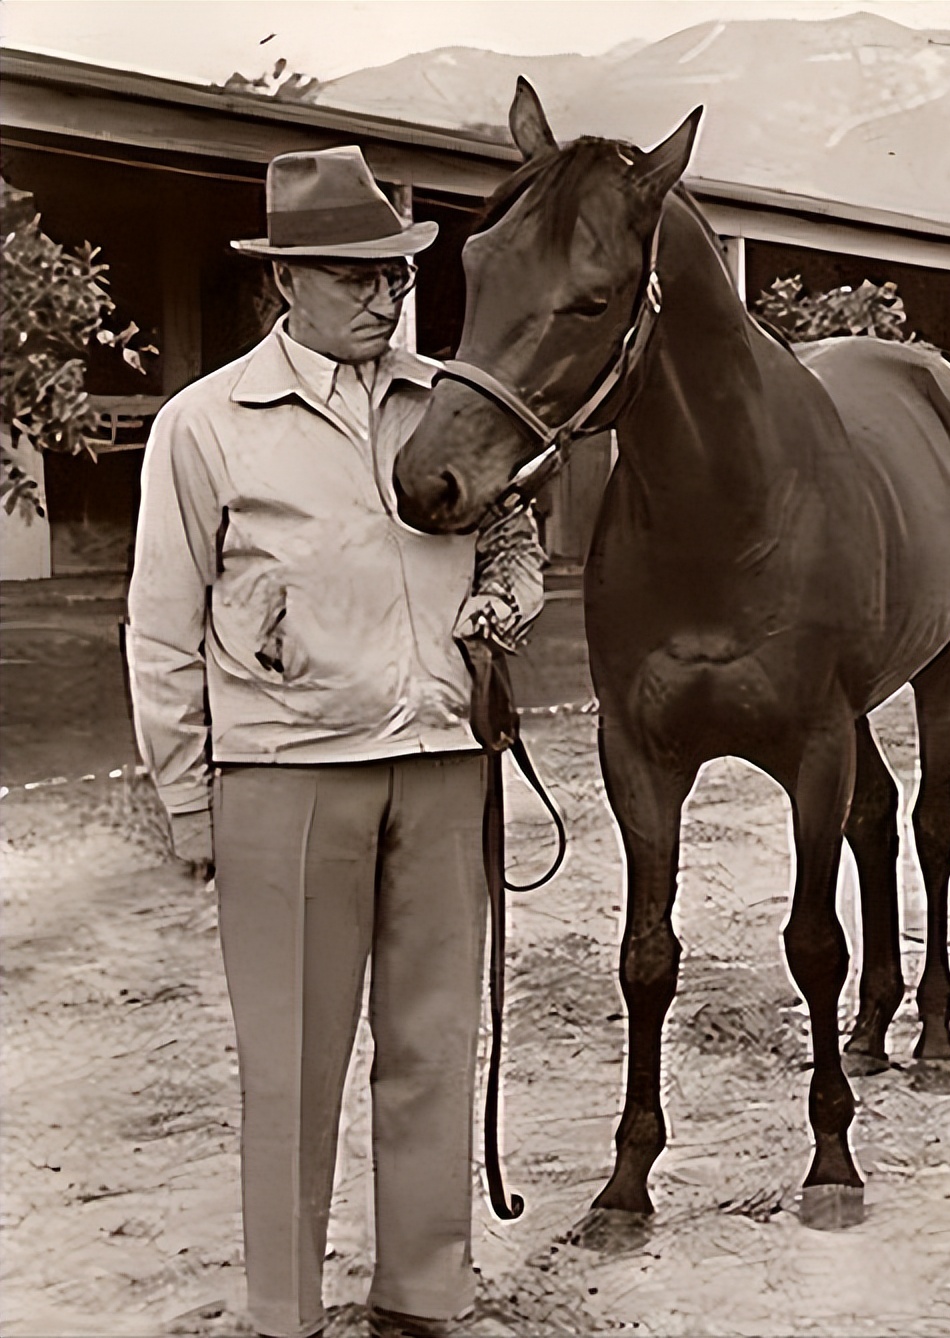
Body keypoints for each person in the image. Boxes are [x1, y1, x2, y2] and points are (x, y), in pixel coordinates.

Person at [126, 146, 545, 1338]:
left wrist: (503, 601)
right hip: (287, 778)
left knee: (433, 1047)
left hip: (442, 763)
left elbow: (515, 545)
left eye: (394, 277)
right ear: (285, 282)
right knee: (291, 1067)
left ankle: (423, 1293)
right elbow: (159, 628)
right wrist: (189, 801)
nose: (383, 299)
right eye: (355, 277)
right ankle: (283, 1310)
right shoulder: (207, 425)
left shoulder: (449, 404)